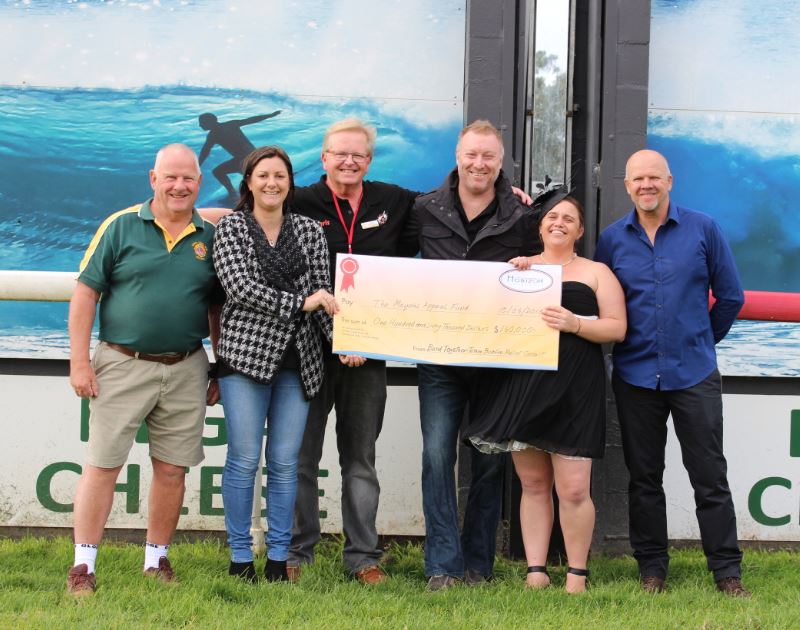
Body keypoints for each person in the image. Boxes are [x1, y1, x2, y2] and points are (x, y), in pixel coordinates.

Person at [66, 144, 222, 595]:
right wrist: (79, 362)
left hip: (187, 366)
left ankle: (156, 561)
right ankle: (83, 567)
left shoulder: (209, 236)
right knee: (102, 466)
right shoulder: (119, 227)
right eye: (170, 177)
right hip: (121, 364)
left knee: (173, 470)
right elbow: (85, 295)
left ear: (199, 181)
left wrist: (220, 368)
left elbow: (216, 307)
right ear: (153, 178)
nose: (179, 186)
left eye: (188, 179)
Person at [595, 149, 749, 597]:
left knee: (710, 476)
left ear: (669, 181)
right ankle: (652, 570)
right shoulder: (611, 240)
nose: (646, 185)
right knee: (644, 479)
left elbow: (731, 297)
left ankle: (727, 573)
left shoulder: (703, 228)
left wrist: (700, 340)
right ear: (627, 186)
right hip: (635, 376)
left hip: (694, 374)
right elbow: (605, 299)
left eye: (654, 177)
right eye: (638, 178)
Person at [466, 189, 626, 593]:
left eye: (568, 218)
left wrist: (576, 324)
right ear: (540, 225)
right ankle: (535, 570)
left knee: (573, 487)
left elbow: (617, 328)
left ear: (580, 229)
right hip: (525, 385)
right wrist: (512, 276)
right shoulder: (519, 268)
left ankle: (577, 574)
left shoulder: (596, 272)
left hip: (576, 388)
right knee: (533, 484)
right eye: (552, 216)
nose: (559, 223)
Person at [287, 118, 420, 585]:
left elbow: (455, 201)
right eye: (339, 153)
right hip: (307, 350)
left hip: (368, 353)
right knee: (300, 457)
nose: (349, 161)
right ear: (323, 158)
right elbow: (246, 211)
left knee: (360, 458)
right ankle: (296, 555)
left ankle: (363, 557)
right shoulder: (299, 201)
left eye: (358, 155)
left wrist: (514, 195)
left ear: (370, 160)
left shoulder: (394, 201)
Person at [414, 119, 538, 591]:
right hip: (439, 358)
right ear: (458, 155)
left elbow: (546, 270)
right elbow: (392, 266)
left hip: (498, 362)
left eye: (488, 156)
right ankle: (442, 565)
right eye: (471, 154)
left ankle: (478, 565)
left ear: (501, 161)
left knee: (490, 461)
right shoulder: (424, 209)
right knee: (435, 455)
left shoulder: (523, 216)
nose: (479, 164)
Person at [212, 146, 337, 583]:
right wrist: (301, 303)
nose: (271, 183)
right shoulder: (230, 227)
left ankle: (279, 561)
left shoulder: (308, 231)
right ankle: (241, 557)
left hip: (299, 364)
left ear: (290, 183)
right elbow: (240, 288)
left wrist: (345, 343)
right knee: (244, 460)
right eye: (262, 175)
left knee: (286, 464)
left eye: (280, 176)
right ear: (248, 182)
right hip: (244, 361)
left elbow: (326, 296)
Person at [199, 111, 281, 196]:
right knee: (219, 171)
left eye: (201, 123)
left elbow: (205, 151)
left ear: (209, 122)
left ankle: (235, 193)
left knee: (221, 171)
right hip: (248, 157)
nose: (200, 125)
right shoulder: (230, 124)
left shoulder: (213, 135)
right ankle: (234, 192)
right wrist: (270, 115)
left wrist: (198, 165)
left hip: (249, 159)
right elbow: (251, 120)